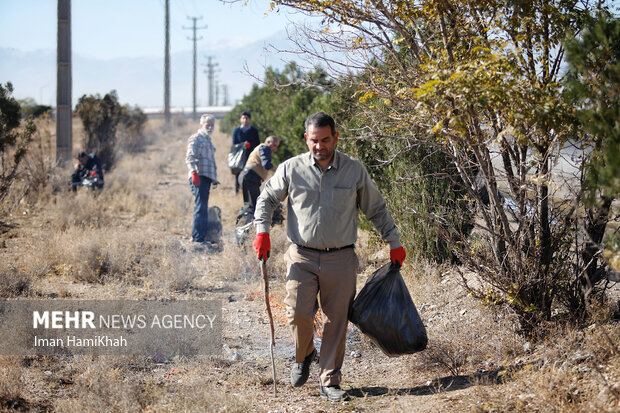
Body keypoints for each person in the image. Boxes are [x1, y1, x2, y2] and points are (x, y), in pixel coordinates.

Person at [252, 112, 406, 402]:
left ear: (335, 137)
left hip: (341, 258)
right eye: (314, 141)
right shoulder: (291, 168)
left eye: (325, 140)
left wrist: (394, 242)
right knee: (297, 314)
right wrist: (262, 231)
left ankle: (329, 381)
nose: (319, 146)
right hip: (301, 255)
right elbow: (267, 198)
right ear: (306, 139)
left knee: (337, 321)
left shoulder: (353, 170)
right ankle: (305, 353)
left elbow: (376, 209)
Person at [186, 114, 218, 247]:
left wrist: (214, 179)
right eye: (207, 124)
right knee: (200, 207)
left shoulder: (208, 141)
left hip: (206, 178)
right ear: (201, 125)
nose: (210, 127)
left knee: (203, 207)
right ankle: (198, 239)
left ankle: (201, 236)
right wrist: (193, 172)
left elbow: (210, 161)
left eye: (212, 125)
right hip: (199, 178)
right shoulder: (196, 138)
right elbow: (190, 157)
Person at [238, 136, 279, 214]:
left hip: (246, 176)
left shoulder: (260, 148)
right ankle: (249, 224)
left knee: (251, 206)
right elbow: (266, 164)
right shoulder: (265, 148)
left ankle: (246, 223)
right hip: (250, 177)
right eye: (273, 145)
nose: (274, 148)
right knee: (256, 207)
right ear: (268, 142)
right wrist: (279, 170)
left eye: (276, 146)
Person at [231, 111, 260, 194]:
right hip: (239, 156)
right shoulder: (236, 131)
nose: (245, 120)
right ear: (240, 119)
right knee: (238, 173)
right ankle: (237, 190)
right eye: (243, 118)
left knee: (250, 174)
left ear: (250, 120)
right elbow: (234, 144)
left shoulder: (254, 131)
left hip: (251, 156)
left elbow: (257, 143)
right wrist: (242, 145)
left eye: (247, 118)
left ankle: (249, 191)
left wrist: (250, 145)